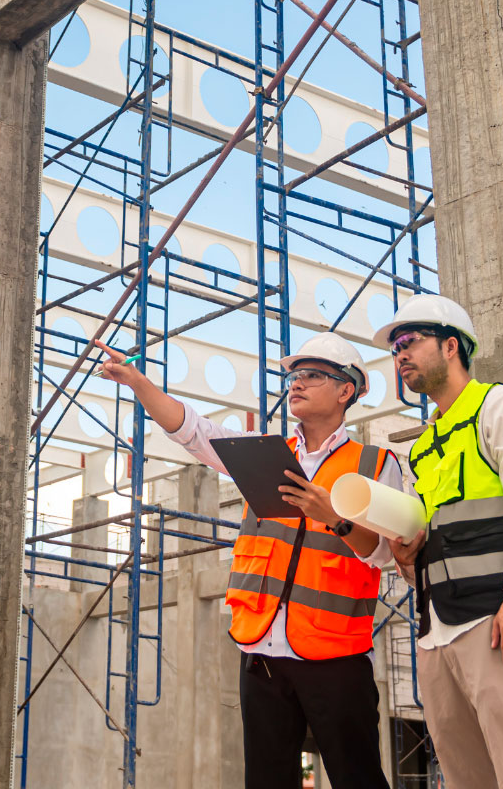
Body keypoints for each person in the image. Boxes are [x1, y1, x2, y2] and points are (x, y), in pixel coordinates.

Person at [98, 332, 398, 789]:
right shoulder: (266, 454)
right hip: (261, 651)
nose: (295, 383)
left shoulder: (378, 465)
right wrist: (140, 384)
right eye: (293, 375)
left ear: (346, 390)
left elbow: (390, 556)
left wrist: (334, 518)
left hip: (336, 656)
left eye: (312, 375)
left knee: (358, 779)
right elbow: (195, 432)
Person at [375, 294, 503, 789]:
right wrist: (408, 557)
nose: (399, 355)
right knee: (467, 778)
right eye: (394, 350)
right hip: (437, 629)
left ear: (451, 346)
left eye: (409, 343)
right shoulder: (424, 444)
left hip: (498, 620)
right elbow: (438, 542)